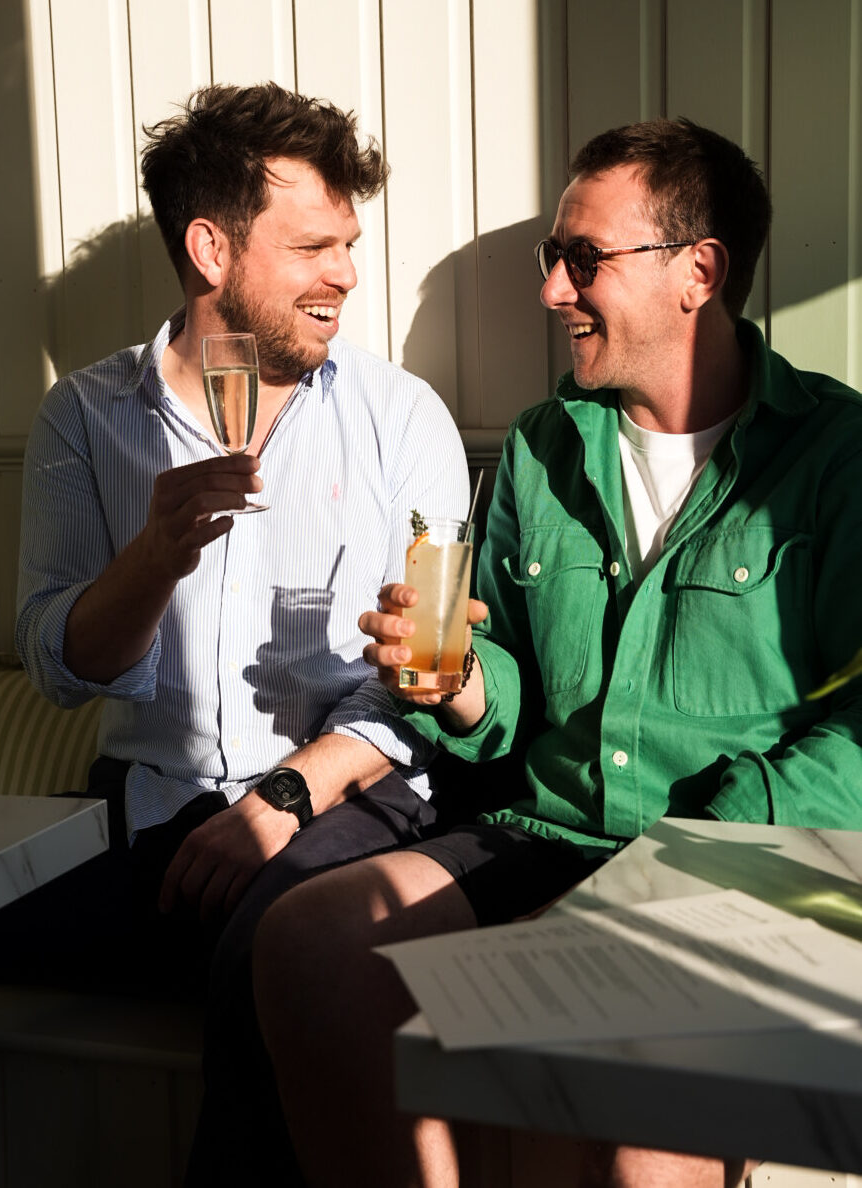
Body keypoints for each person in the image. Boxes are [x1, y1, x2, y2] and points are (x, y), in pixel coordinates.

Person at [250, 117, 862, 1187]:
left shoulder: (836, 456)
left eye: (583, 260)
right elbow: (513, 697)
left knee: (612, 1075)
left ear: (697, 272)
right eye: (552, 257)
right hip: (550, 832)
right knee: (309, 942)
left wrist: (691, 850)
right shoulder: (541, 446)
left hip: (746, 861)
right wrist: (458, 688)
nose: (550, 291)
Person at [11, 82, 469, 1183]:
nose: (348, 276)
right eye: (315, 246)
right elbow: (60, 667)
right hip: (153, 813)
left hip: (344, 801)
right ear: (211, 247)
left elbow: (437, 661)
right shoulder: (85, 417)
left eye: (349, 245)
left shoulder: (404, 417)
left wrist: (285, 800)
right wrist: (153, 557)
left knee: (271, 943)